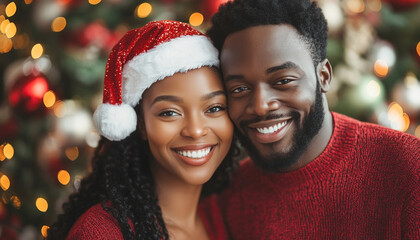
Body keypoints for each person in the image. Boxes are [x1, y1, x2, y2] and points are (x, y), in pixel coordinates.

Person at [206, 0, 420, 239]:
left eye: (283, 81)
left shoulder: (409, 168)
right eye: (239, 89)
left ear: (324, 76)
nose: (260, 105)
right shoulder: (229, 197)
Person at [48, 20, 235, 240]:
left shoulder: (221, 214)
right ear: (140, 124)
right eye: (169, 113)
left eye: (214, 108)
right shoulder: (101, 233)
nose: (195, 130)